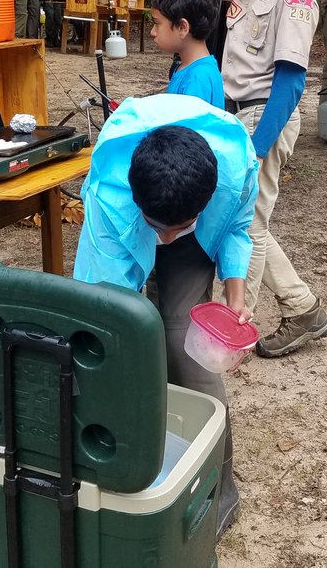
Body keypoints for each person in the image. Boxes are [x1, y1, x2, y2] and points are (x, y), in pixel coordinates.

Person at [73, 94, 259, 540]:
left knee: (183, 343)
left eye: (177, 226)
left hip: (201, 222)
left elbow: (235, 226)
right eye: (160, 228)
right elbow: (110, 303)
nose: (167, 238)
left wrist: (235, 292)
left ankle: (219, 489)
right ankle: (124, 468)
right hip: (132, 221)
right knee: (117, 348)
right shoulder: (110, 197)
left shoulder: (235, 172)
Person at [193, 0, 327, 358]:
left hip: (263, 116)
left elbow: (291, 83)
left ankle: (232, 335)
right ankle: (303, 308)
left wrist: (256, 147)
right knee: (245, 220)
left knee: (248, 226)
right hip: (236, 115)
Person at [149, 0, 225, 109]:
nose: (153, 32)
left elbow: (187, 130)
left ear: (182, 28)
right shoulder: (189, 68)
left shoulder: (197, 78)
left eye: (157, 24)